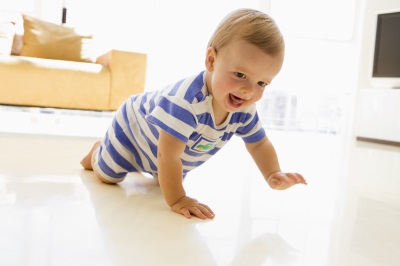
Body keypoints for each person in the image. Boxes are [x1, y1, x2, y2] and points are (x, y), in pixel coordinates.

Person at [81, 8, 307, 220]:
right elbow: (167, 156)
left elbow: (258, 144)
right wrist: (178, 199)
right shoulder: (186, 103)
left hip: (167, 151)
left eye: (262, 83)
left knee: (165, 179)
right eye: (240, 74)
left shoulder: (244, 109)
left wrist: (272, 173)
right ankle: (97, 152)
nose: (249, 90)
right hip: (133, 130)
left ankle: (151, 171)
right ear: (211, 61)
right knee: (108, 175)